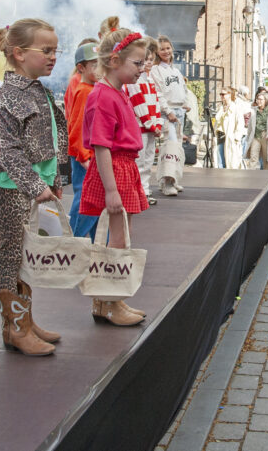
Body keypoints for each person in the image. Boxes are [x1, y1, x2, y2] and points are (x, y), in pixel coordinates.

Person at [0, 19, 68, 356]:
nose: (52, 57)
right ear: (18, 53)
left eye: (54, 51)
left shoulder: (38, 90)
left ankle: (24, 321)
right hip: (8, 190)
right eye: (45, 51)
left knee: (27, 253)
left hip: (33, 190)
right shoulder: (6, 98)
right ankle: (16, 327)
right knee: (12, 255)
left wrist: (55, 178)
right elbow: (8, 150)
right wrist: (34, 185)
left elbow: (50, 141)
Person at [79, 29, 149, 326]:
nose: (142, 68)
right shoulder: (103, 96)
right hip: (115, 170)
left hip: (123, 167)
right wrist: (111, 189)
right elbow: (101, 145)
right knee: (117, 239)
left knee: (121, 237)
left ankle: (109, 300)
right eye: (137, 63)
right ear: (116, 60)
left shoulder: (116, 92)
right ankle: (109, 302)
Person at [66, 43, 100, 238]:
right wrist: (84, 156)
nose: (100, 69)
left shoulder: (91, 89)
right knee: (85, 200)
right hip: (85, 157)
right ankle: (75, 241)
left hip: (88, 154)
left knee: (93, 202)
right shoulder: (85, 91)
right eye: (94, 65)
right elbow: (77, 126)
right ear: (82, 68)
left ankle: (100, 245)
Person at [125, 37, 162, 205]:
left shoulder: (150, 80)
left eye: (150, 59)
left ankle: (145, 191)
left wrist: (157, 123)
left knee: (148, 162)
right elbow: (138, 103)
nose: (148, 63)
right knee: (139, 162)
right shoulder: (136, 80)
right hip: (141, 127)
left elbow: (155, 102)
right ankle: (137, 192)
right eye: (145, 60)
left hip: (151, 127)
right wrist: (150, 123)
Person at [150, 35, 189, 196]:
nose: (166, 51)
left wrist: (185, 104)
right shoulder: (155, 70)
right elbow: (158, 93)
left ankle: (171, 179)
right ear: (157, 52)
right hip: (169, 113)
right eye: (162, 49)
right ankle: (167, 182)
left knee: (176, 147)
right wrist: (168, 111)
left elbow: (183, 89)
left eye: (168, 48)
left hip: (179, 111)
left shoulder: (176, 71)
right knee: (170, 147)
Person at [245, 91, 268, 170]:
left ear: (266, 101)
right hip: (256, 137)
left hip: (267, 137)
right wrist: (248, 136)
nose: (258, 101)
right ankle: (251, 176)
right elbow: (250, 126)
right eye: (257, 99)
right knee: (253, 157)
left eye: (260, 99)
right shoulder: (253, 110)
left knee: (267, 160)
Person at [215, 88, 245, 169]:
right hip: (220, 136)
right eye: (220, 94)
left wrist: (236, 137)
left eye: (223, 94)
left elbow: (240, 123)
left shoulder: (236, 108)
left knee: (231, 161)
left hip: (230, 137)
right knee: (220, 161)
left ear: (229, 95)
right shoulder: (221, 107)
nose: (221, 96)